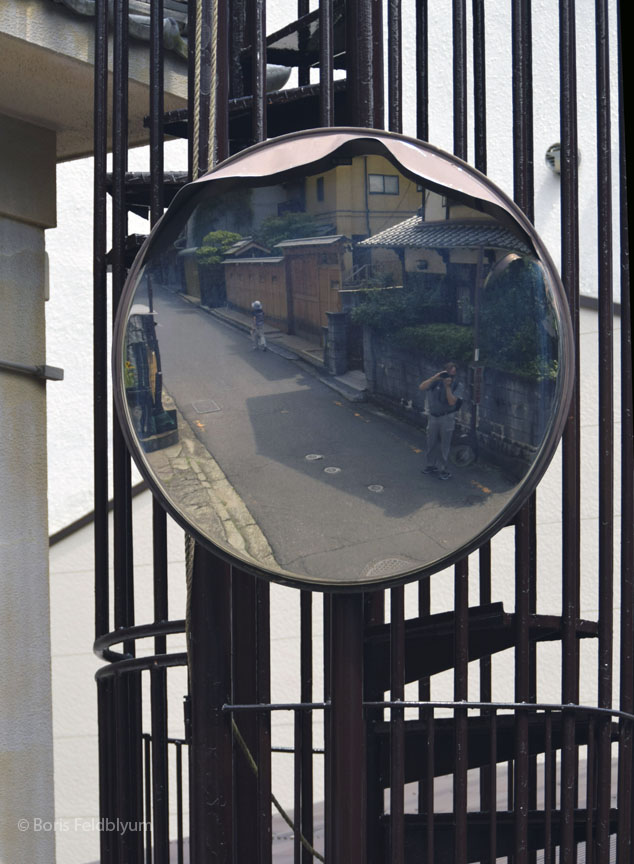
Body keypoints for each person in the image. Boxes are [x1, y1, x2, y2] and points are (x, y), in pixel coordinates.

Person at [418, 361, 463, 480]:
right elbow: (421, 387)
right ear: (443, 371)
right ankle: (430, 465)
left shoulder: (458, 385)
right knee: (431, 442)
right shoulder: (435, 382)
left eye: (453, 374)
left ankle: (443, 469)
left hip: (447, 417)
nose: (450, 376)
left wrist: (447, 387)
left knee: (445, 445)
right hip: (433, 416)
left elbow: (452, 402)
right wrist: (434, 378)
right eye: (448, 373)